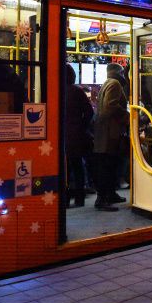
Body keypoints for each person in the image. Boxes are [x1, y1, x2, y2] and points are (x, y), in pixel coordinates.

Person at [92, 62, 128, 211]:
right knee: (107, 165)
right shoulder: (115, 84)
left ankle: (110, 194)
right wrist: (126, 115)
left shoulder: (107, 82)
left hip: (103, 131)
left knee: (107, 164)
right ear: (119, 72)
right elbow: (110, 105)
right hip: (110, 131)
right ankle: (102, 199)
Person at [64, 64, 94, 208]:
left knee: (64, 168)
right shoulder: (77, 91)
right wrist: (82, 126)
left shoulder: (54, 91)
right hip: (76, 135)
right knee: (77, 167)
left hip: (61, 137)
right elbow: (89, 112)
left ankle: (65, 198)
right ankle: (79, 197)